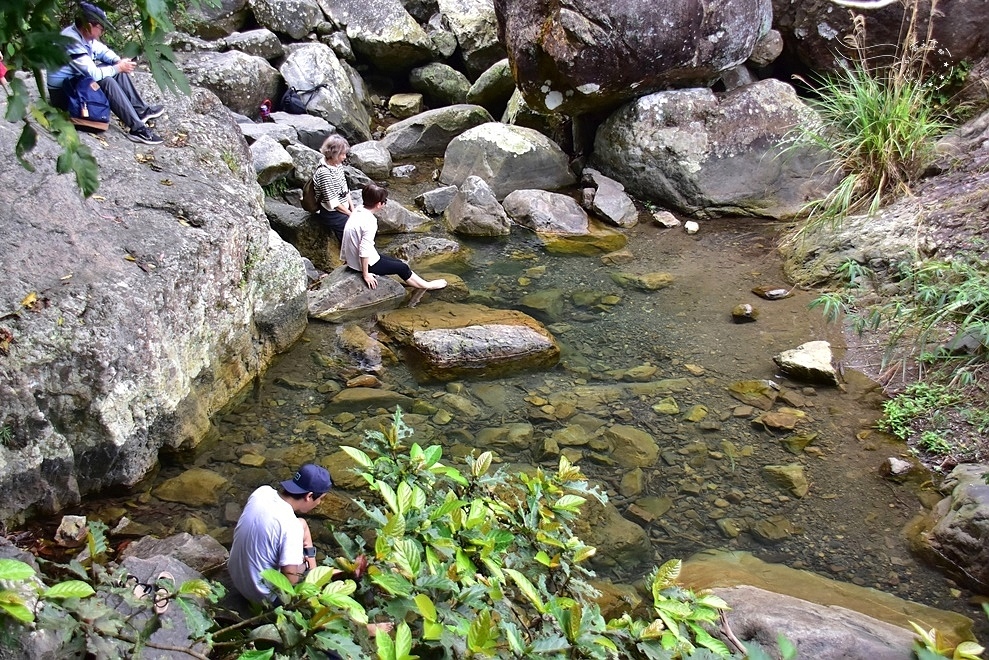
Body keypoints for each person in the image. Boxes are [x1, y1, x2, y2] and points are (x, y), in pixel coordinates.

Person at [46, 2, 165, 145]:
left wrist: (118, 61)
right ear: (89, 26)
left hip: (73, 85)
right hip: (64, 96)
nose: (102, 32)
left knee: (115, 68)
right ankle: (138, 129)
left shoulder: (82, 34)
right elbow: (93, 74)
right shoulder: (71, 41)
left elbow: (102, 50)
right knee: (106, 80)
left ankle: (140, 111)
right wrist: (118, 68)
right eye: (101, 28)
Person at [228, 463, 330, 605]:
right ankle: (314, 577)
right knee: (301, 570)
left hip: (236, 577)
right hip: (262, 597)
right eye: (321, 498)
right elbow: (290, 581)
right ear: (309, 496)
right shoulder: (290, 526)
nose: (319, 503)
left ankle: (314, 569)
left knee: (303, 525)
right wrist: (303, 565)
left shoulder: (262, 492)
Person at [341, 184, 448, 291]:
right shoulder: (369, 221)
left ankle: (418, 282)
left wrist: (346, 259)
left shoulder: (357, 210)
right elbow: (364, 249)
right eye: (385, 201)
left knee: (399, 263)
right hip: (364, 264)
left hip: (353, 260)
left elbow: (346, 235)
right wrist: (366, 274)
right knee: (402, 268)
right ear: (379, 204)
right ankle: (427, 286)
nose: (385, 203)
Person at [313, 134, 354, 242]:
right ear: (334, 154)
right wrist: (350, 215)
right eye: (342, 154)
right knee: (352, 231)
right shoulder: (324, 173)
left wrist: (352, 209)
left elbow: (345, 189)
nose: (344, 157)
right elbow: (333, 203)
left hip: (343, 206)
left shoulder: (337, 165)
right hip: (331, 213)